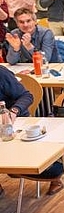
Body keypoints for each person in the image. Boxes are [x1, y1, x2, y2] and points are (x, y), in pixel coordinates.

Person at [0, 65, 36, 196]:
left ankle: (55, 176)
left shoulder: (2, 73)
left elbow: (27, 96)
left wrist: (14, 111)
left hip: (15, 122)